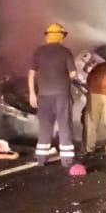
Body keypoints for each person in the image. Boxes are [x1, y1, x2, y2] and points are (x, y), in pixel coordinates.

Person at [29, 23, 78, 167]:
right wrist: (66, 78)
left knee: (45, 127)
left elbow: (31, 74)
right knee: (64, 126)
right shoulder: (65, 52)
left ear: (48, 36)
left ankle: (41, 159)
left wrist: (32, 94)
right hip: (62, 95)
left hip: (43, 96)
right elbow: (73, 74)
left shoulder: (38, 52)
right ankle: (67, 161)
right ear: (61, 36)